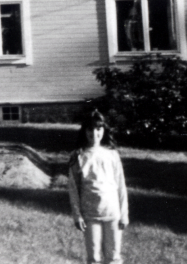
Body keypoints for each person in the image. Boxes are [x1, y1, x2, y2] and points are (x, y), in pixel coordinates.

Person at [68, 111, 129, 264]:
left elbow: (121, 185)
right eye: (90, 129)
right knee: (93, 257)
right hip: (90, 214)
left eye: (98, 129)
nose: (94, 133)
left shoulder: (112, 154)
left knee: (113, 257)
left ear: (104, 130)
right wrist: (77, 215)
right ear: (85, 131)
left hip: (113, 213)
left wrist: (124, 213)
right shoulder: (78, 156)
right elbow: (73, 188)